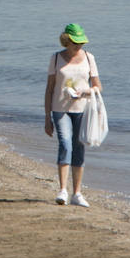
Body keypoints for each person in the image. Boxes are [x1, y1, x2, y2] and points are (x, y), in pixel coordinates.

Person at [44, 23, 101, 208]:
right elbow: (50, 89)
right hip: (59, 109)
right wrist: (47, 117)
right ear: (66, 41)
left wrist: (85, 92)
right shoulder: (55, 59)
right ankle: (62, 190)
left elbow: (98, 86)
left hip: (82, 109)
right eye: (76, 42)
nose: (79, 46)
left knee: (79, 148)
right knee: (65, 144)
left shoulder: (89, 58)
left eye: (81, 42)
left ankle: (77, 193)